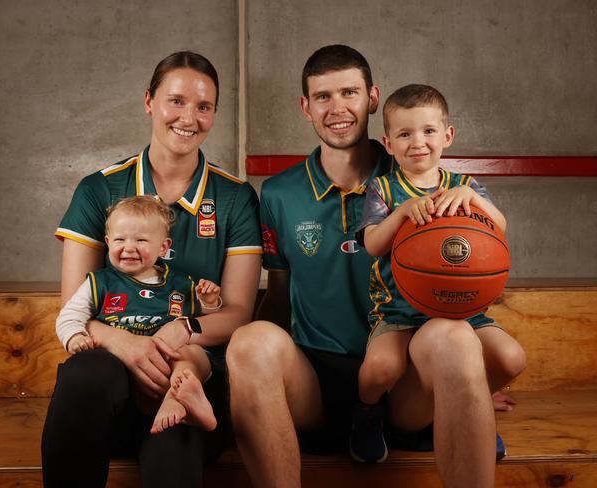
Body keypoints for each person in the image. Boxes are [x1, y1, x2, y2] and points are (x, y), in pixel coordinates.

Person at [42, 51, 262, 488]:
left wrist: (183, 330)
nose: (189, 117)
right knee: (88, 372)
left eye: (204, 106)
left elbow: (237, 312)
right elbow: (74, 308)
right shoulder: (99, 188)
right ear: (149, 102)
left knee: (175, 433)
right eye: (175, 101)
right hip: (108, 392)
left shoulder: (235, 197)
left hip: (191, 381)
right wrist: (123, 343)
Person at [226, 44, 391, 488]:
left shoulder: (411, 179)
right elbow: (278, 298)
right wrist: (247, 378)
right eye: (323, 97)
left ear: (372, 98)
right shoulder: (279, 194)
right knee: (250, 340)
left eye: (349, 93)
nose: (337, 108)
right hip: (315, 383)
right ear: (305, 107)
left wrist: (474, 370)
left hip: (397, 373)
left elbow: (452, 283)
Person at [350, 84, 526, 474]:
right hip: (399, 312)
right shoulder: (383, 189)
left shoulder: (465, 187)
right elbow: (374, 244)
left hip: (460, 309)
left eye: (428, 131)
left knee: (512, 358)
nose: (418, 142)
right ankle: (366, 416)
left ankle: (473, 399)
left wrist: (476, 201)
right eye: (405, 134)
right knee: (379, 368)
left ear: (447, 136)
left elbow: (500, 227)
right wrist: (404, 212)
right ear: (389, 143)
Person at [56, 195, 222, 433]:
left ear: (163, 247)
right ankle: (176, 405)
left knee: (190, 352)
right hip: (127, 367)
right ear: (108, 241)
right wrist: (75, 337)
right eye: (120, 239)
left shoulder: (181, 284)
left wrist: (210, 301)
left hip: (169, 365)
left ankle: (180, 400)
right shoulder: (99, 283)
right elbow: (68, 316)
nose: (129, 247)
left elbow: (204, 315)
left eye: (141, 240)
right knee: (103, 364)